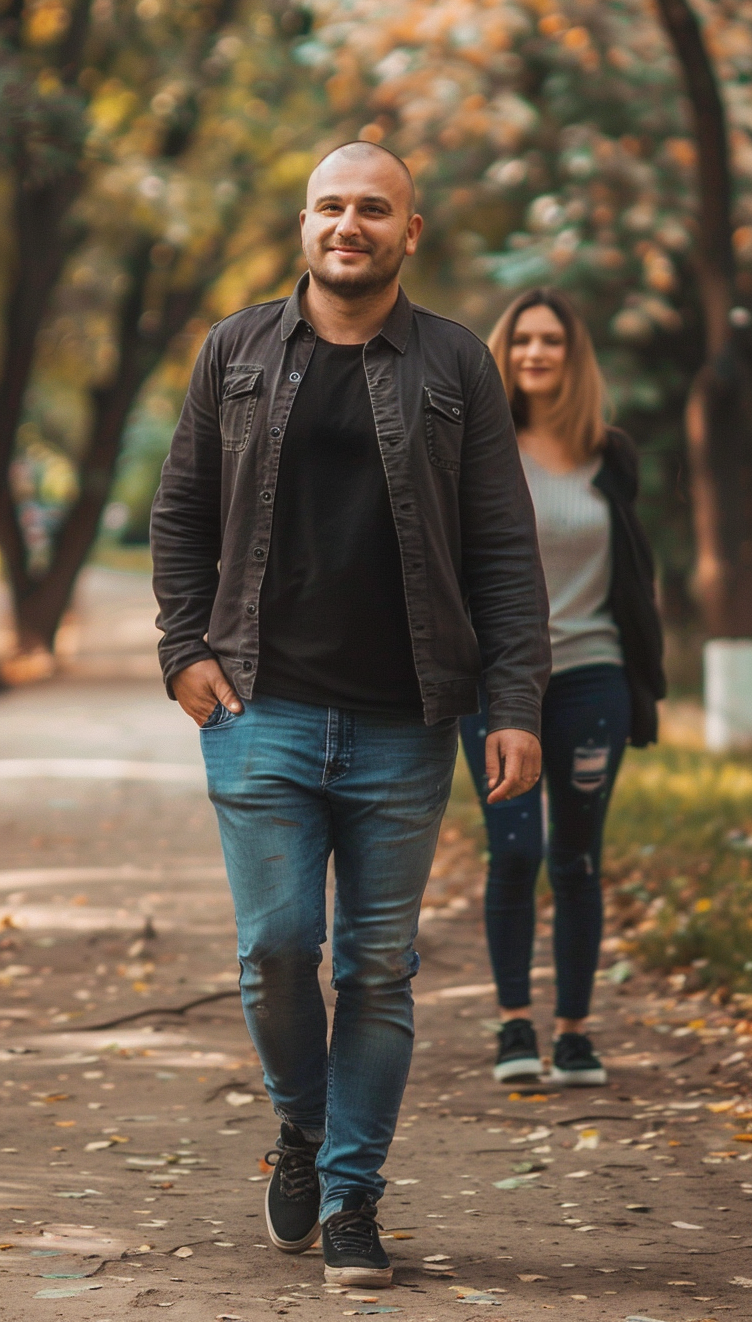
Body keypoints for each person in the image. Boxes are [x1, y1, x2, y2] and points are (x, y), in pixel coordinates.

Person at [150, 142, 551, 1289]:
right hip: (260, 708)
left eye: (373, 208)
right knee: (277, 952)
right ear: (304, 222)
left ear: (407, 232)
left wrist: (513, 700)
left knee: (376, 969)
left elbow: (499, 549)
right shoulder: (234, 349)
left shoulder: (455, 363)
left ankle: (351, 1192)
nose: (348, 224)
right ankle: (301, 1126)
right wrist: (183, 651)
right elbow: (178, 513)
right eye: (330, 205)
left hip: (405, 721)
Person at [460, 288, 665, 1088]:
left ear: (573, 357)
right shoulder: (479, 445)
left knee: (577, 858)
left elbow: (629, 570)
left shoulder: (610, 452)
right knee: (516, 852)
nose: (535, 354)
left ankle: (575, 1031)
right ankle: (515, 1025)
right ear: (502, 355)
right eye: (521, 342)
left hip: (592, 677)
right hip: (496, 682)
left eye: (551, 341)